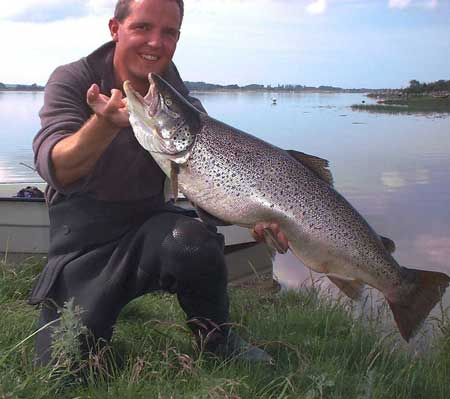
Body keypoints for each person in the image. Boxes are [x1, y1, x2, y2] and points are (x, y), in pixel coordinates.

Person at [30, 0, 281, 366]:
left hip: (149, 226)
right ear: (115, 29)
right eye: (143, 27)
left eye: (169, 32)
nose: (156, 42)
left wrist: (252, 214)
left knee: (195, 241)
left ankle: (217, 340)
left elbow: (208, 189)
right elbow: (56, 168)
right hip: (82, 241)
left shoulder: (176, 98)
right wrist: (102, 126)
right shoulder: (73, 79)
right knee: (62, 369)